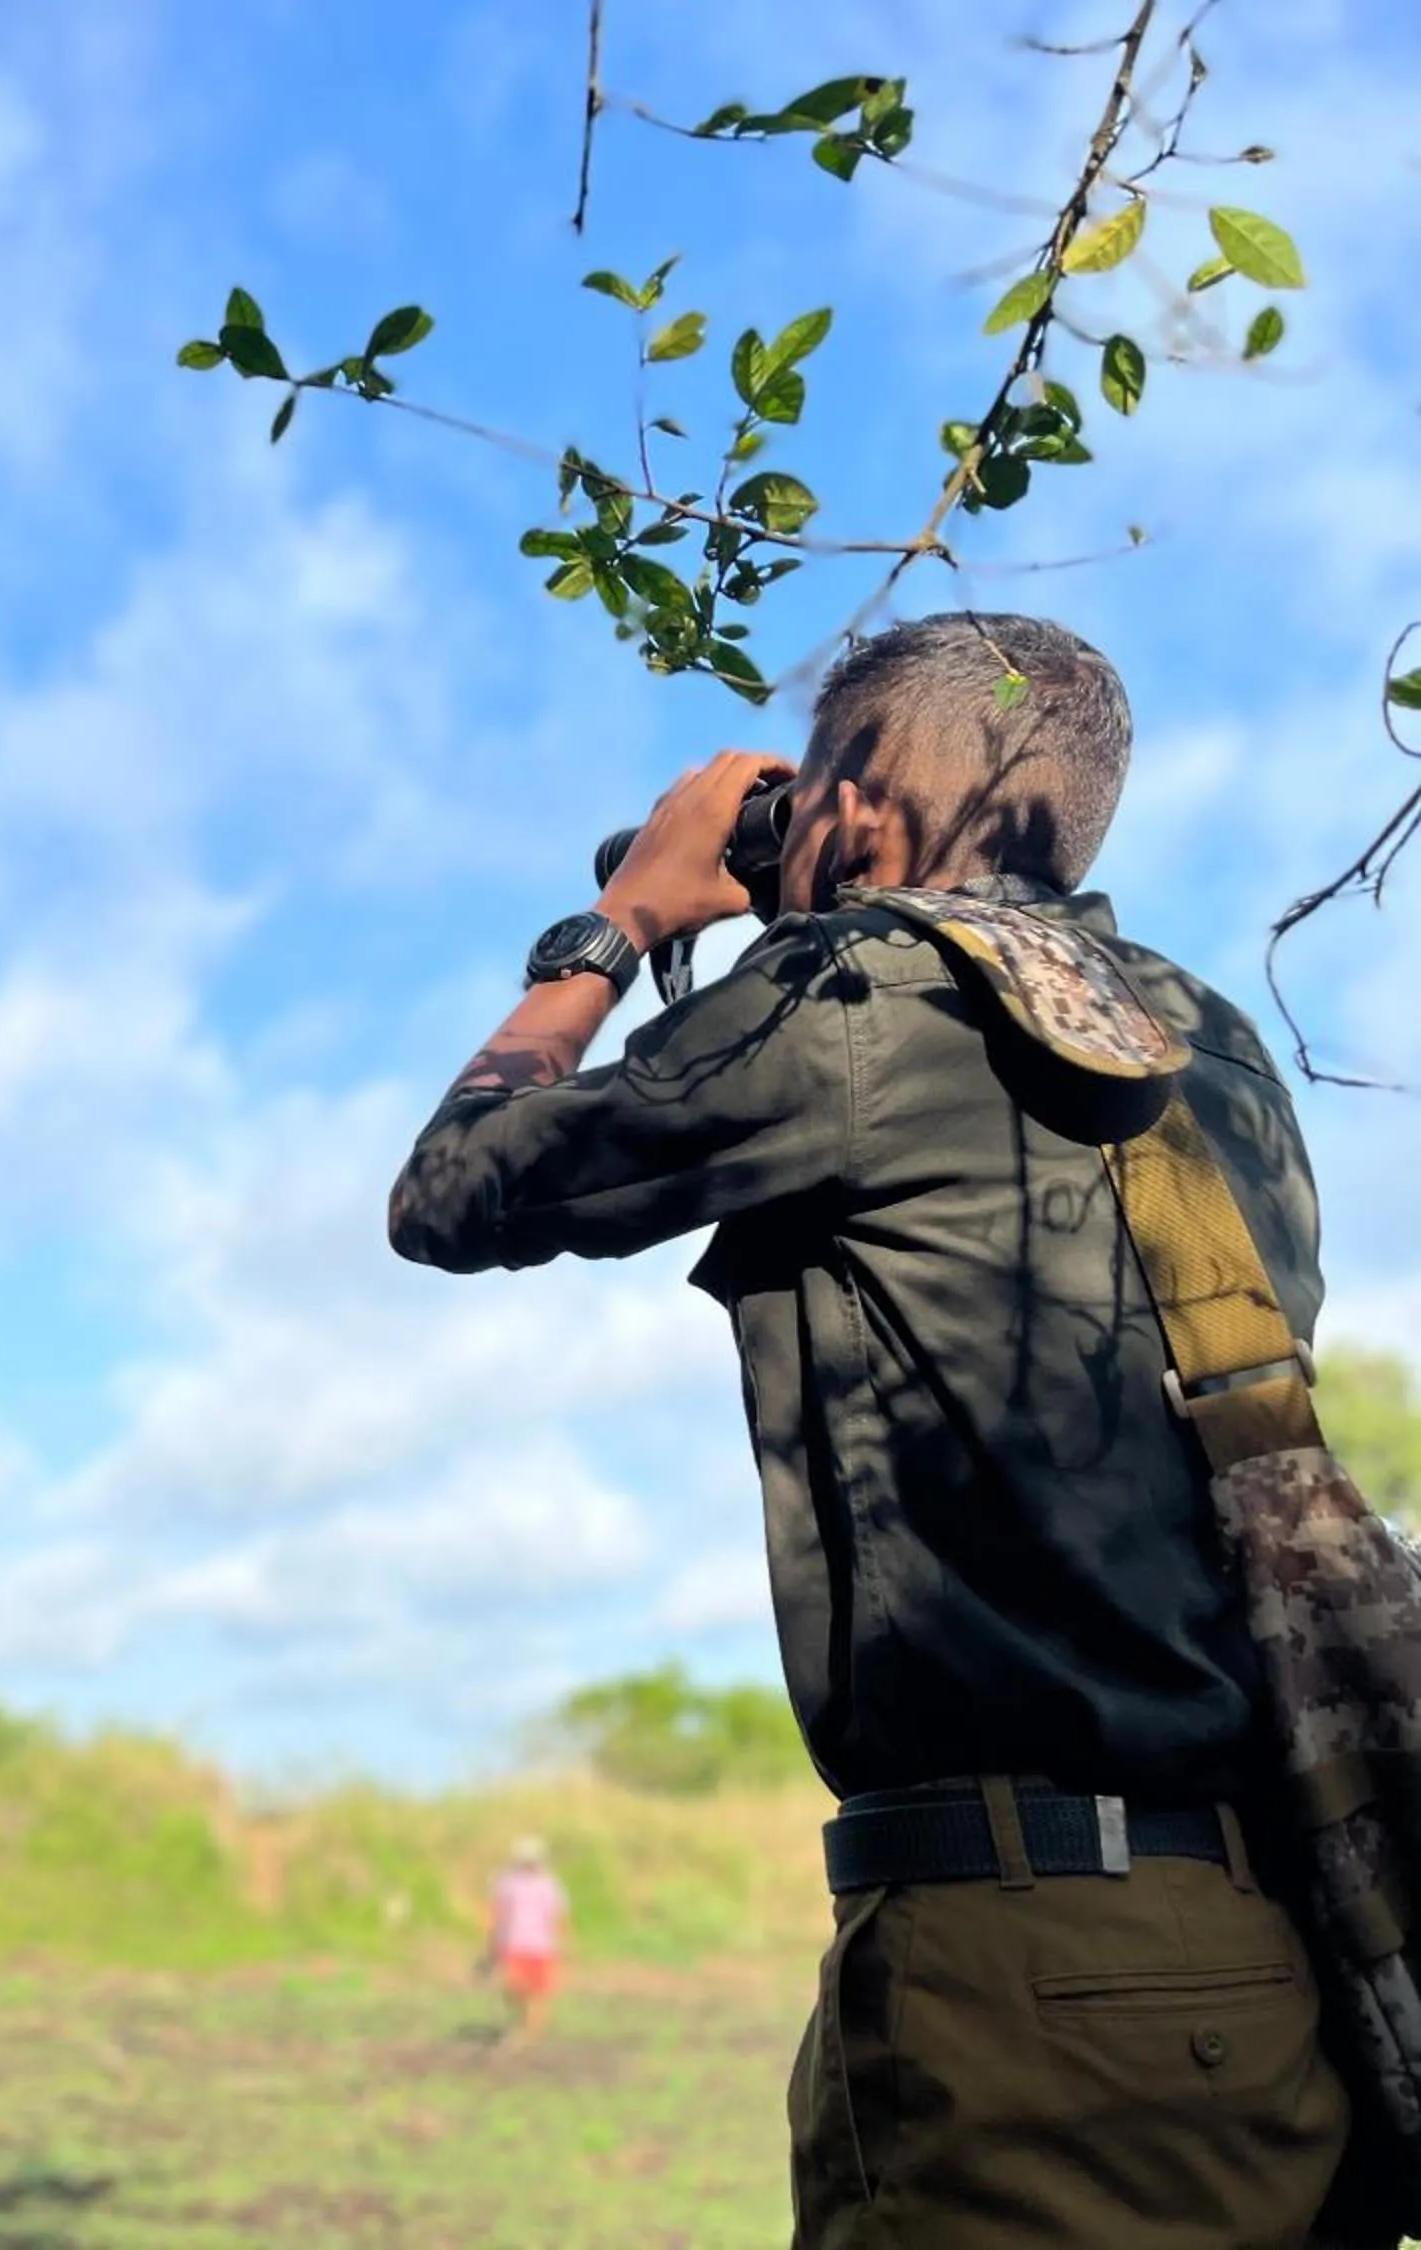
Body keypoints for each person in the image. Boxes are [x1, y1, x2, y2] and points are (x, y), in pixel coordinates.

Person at [385, 613, 1382, 2248]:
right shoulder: (1222, 1053)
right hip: (1265, 1956)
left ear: (846, 810)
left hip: (1024, 1987)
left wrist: (622, 918)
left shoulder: (859, 996)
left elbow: (453, 1189)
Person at [483, 1835, 568, 2047]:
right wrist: (492, 1939)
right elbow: (497, 1910)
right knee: (513, 1987)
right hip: (513, 1943)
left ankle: (531, 2033)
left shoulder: (550, 1884)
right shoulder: (507, 1881)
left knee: (538, 1992)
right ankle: (521, 2026)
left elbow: (557, 1915)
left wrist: (561, 1942)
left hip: (541, 1945)